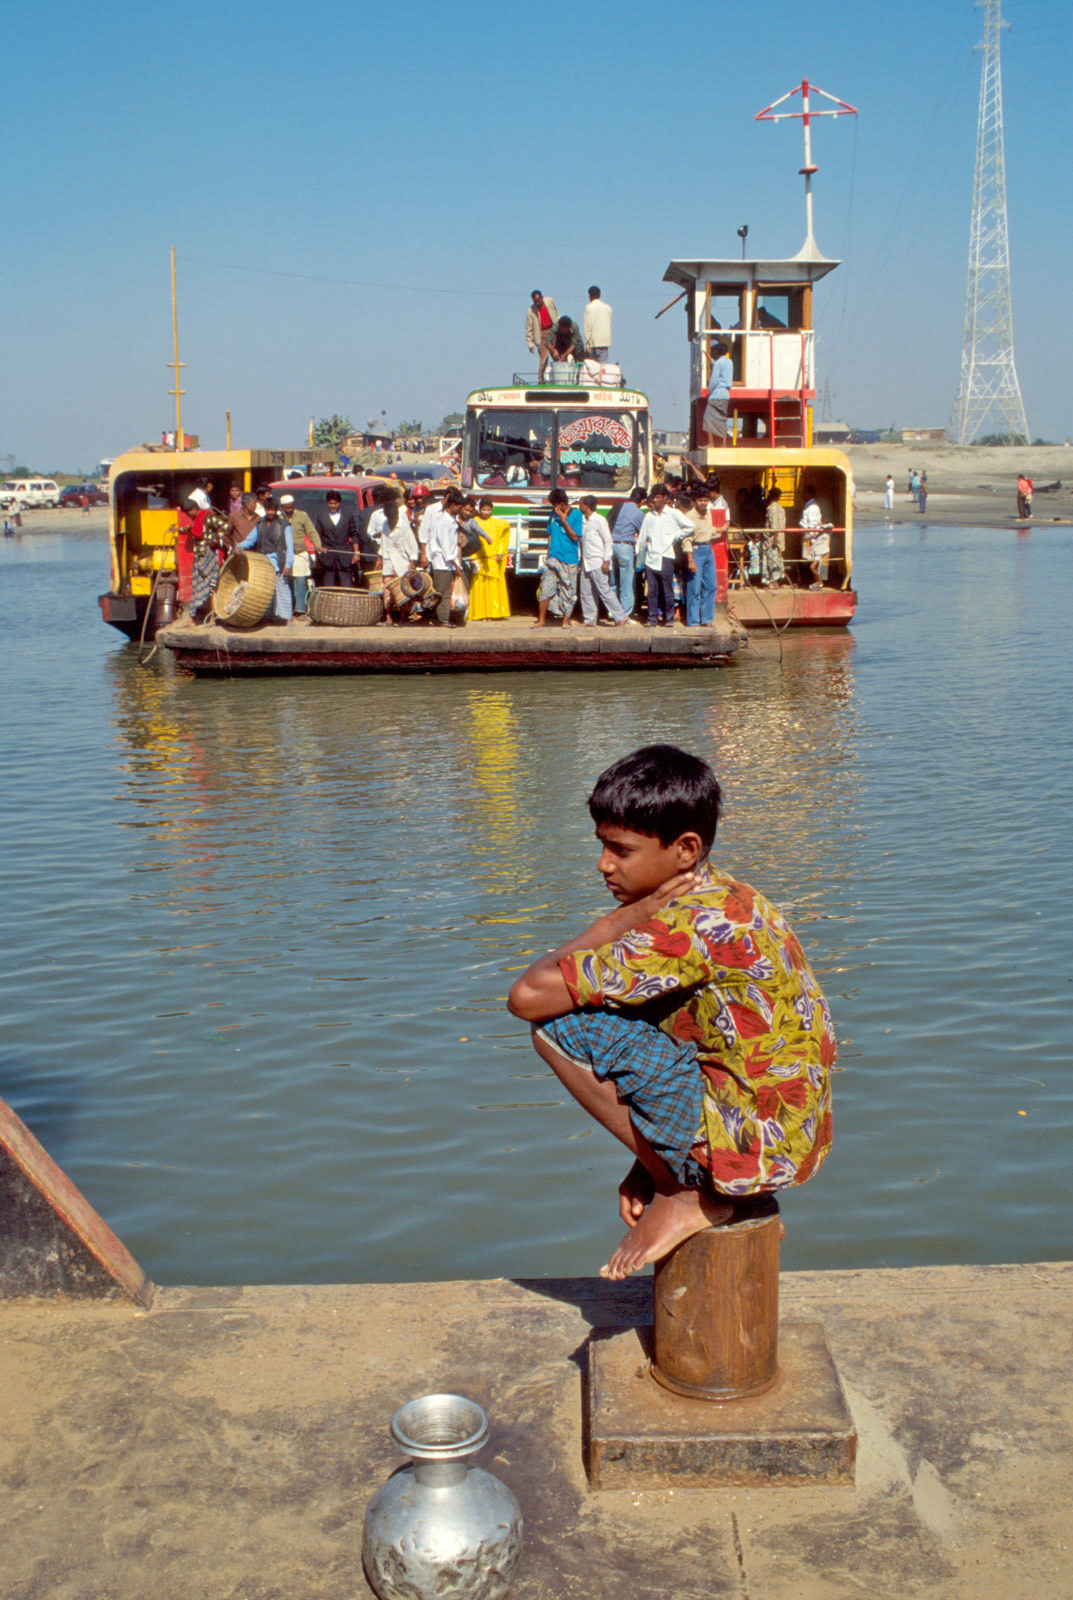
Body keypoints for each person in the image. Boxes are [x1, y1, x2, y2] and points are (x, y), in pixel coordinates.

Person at [506, 744, 835, 1280]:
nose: (603, 863)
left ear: (685, 850)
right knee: (626, 1015)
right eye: (602, 846)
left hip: (750, 1140)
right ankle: (678, 1173)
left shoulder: (683, 925)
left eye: (621, 850)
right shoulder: (733, 894)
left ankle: (685, 1192)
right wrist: (646, 1158)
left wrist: (618, 921)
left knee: (559, 1030)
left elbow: (526, 998)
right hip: (783, 1137)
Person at [636, 484, 692, 626]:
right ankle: (652, 619)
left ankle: (669, 619)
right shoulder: (649, 516)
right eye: (654, 497)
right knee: (652, 591)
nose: (655, 500)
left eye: (658, 497)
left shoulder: (673, 513)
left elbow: (690, 526)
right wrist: (639, 556)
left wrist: (676, 536)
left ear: (665, 498)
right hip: (650, 558)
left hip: (666, 556)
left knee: (667, 590)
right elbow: (642, 538)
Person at [578, 496, 633, 627]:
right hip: (585, 562)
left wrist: (606, 560)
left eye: (581, 504)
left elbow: (608, 540)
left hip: (597, 561)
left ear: (587, 506)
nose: (579, 506)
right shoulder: (583, 522)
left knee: (604, 591)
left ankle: (620, 617)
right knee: (586, 592)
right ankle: (589, 620)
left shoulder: (599, 520)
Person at [238, 495, 293, 620]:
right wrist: (239, 546)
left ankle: (285, 618)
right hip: (263, 563)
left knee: (282, 589)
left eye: (273, 510)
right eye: (268, 510)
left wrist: (288, 565)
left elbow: (290, 548)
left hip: (279, 562)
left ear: (276, 510)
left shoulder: (284, 525)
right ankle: (268, 616)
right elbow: (250, 540)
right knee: (266, 591)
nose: (271, 512)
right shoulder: (260, 523)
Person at [371, 489, 419, 624]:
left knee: (402, 591)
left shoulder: (404, 526)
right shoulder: (385, 524)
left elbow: (412, 547)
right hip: (388, 560)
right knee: (387, 590)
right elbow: (384, 543)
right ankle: (388, 617)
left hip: (402, 561)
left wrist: (411, 564)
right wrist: (379, 558)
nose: (392, 521)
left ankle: (403, 616)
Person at [536, 488, 580, 626]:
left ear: (561, 503)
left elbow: (575, 537)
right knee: (545, 588)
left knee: (569, 591)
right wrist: (548, 555)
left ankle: (565, 621)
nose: (553, 508)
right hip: (553, 558)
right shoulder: (552, 514)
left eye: (554, 505)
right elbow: (549, 534)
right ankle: (541, 621)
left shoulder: (577, 515)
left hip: (569, 558)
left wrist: (563, 520)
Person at [468, 498, 511, 621]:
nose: (486, 512)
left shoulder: (498, 523)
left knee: (493, 586)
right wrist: (472, 557)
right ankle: (481, 614)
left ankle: (494, 613)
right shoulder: (474, 522)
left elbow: (503, 538)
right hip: (479, 558)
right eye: (483, 509)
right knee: (480, 585)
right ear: (479, 510)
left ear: (492, 510)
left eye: (488, 510)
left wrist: (500, 553)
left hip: (493, 559)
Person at [426, 490, 466, 624]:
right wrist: (456, 565)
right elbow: (445, 546)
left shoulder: (450, 521)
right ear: (453, 505)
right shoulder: (444, 521)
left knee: (459, 588)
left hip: (449, 563)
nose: (460, 510)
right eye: (459, 507)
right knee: (445, 594)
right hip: (443, 563)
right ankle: (443, 619)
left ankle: (454, 617)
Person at [279, 493, 320, 616]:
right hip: (284, 555)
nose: (289, 510)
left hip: (300, 553)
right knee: (286, 582)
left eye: (291, 507)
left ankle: (300, 609)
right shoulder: (279, 517)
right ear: (282, 507)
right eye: (287, 508)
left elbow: (312, 532)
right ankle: (287, 609)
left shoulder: (302, 515)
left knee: (300, 581)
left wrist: (317, 545)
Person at [680, 488, 717, 626]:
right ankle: (693, 621)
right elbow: (686, 539)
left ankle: (707, 619)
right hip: (695, 551)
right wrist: (690, 559)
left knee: (711, 586)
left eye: (705, 500)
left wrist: (721, 529)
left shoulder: (709, 512)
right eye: (700, 500)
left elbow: (709, 529)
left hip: (709, 549)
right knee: (694, 588)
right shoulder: (689, 516)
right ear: (695, 501)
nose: (703, 503)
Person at [607, 488, 644, 616]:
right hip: (625, 547)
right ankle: (624, 614)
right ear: (642, 501)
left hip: (611, 546)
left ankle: (612, 612)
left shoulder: (617, 506)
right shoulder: (638, 514)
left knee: (612, 582)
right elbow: (643, 533)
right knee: (626, 583)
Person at [315, 490, 359, 588]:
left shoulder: (348, 515)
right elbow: (317, 535)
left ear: (339, 502)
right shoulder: (321, 516)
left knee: (347, 585)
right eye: (331, 503)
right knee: (328, 586)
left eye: (335, 503)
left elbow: (354, 534)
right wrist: (319, 547)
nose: (333, 506)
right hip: (328, 558)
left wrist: (356, 552)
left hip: (345, 557)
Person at [701, 341, 733, 444]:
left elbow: (713, 381)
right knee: (722, 419)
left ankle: (711, 443)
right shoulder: (729, 362)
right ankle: (724, 444)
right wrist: (708, 356)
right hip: (726, 395)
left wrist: (709, 394)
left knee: (708, 417)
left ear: (717, 352)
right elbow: (717, 364)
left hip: (716, 395)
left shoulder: (718, 364)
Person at [525, 290, 559, 381]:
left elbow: (555, 312)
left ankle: (560, 376)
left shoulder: (550, 301)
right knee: (543, 359)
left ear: (541, 297)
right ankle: (540, 378)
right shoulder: (531, 311)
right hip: (541, 334)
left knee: (556, 354)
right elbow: (528, 327)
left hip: (553, 331)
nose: (537, 303)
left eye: (539, 301)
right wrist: (530, 343)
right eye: (535, 302)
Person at [800, 484, 828, 588]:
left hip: (813, 539)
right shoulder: (808, 505)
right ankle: (816, 581)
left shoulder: (812, 507)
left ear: (810, 494)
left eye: (805, 492)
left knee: (814, 563)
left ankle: (819, 581)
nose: (803, 494)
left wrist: (811, 538)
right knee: (812, 562)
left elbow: (812, 524)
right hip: (811, 537)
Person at [763, 488, 787, 586]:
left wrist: (774, 540)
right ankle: (777, 581)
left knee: (773, 561)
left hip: (773, 540)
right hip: (779, 540)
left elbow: (775, 526)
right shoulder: (780, 508)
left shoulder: (772, 509)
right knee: (777, 560)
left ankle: (775, 583)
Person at [583, 286, 613, 360]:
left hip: (593, 342)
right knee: (602, 368)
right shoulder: (608, 308)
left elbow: (588, 326)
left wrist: (587, 343)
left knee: (592, 368)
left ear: (589, 295)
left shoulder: (588, 308)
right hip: (604, 342)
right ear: (599, 295)